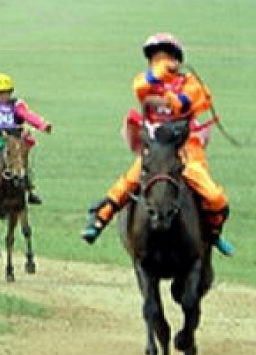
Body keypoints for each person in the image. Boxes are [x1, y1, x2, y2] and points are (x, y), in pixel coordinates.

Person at [81, 33, 234, 256]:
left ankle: (213, 233)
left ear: (176, 59)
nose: (159, 62)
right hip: (155, 149)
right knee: (129, 180)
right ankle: (100, 219)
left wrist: (166, 95)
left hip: (185, 150)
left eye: (164, 57)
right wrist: (162, 74)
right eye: (155, 58)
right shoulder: (147, 81)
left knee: (214, 196)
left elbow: (184, 104)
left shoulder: (191, 83)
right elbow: (141, 87)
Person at [0, 73, 52, 204]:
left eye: (6, 93)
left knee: (21, 161)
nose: (2, 96)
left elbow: (28, 116)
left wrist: (42, 125)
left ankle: (29, 189)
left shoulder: (16, 105)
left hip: (15, 139)